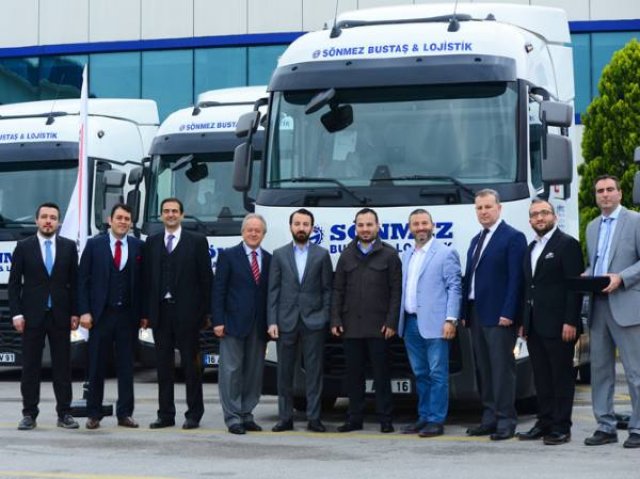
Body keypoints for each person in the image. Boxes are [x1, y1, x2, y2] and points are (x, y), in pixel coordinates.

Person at [141, 197, 212, 430]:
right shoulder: (152, 242)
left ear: (182, 215)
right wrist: (146, 313)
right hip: (161, 314)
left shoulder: (197, 242)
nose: (170, 215)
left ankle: (194, 414)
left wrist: (206, 314)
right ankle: (165, 414)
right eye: (166, 211)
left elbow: (206, 280)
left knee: (192, 367)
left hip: (188, 315)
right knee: (163, 367)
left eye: (174, 211)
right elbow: (147, 280)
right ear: (161, 215)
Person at [516, 199, 583, 445]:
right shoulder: (531, 248)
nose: (540, 218)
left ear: (554, 216)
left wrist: (570, 321)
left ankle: (561, 427)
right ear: (530, 220)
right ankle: (544, 422)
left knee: (561, 378)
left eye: (544, 213)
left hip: (560, 326)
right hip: (534, 326)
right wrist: (524, 321)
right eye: (535, 214)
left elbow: (574, 287)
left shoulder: (567, 244)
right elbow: (528, 288)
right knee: (542, 378)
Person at [462, 189, 527, 441]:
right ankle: (489, 418)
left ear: (499, 208)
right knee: (484, 370)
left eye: (488, 207)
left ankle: (505, 420)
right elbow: (470, 278)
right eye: (479, 208)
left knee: (502, 370)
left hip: (500, 315)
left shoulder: (513, 237)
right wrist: (464, 312)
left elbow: (516, 279)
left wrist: (509, 312)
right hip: (477, 312)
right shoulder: (476, 240)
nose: (483, 212)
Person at [8, 202, 80, 430]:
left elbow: (75, 283)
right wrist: (16, 313)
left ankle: (64, 413)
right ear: (37, 220)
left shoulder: (68, 247)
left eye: (53, 218)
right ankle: (29, 414)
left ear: (58, 222)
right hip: (32, 316)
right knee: (30, 367)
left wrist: (75, 312)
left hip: (60, 315)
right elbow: (13, 284)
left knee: (62, 367)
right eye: (45, 217)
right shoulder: (23, 247)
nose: (49, 221)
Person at [331, 207, 402, 433]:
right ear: (355, 227)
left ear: (377, 227)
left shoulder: (389, 255)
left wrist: (391, 322)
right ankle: (354, 419)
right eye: (360, 225)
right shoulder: (346, 255)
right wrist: (335, 319)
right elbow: (338, 290)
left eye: (369, 225)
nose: (365, 229)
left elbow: (396, 292)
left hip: (379, 327)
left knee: (382, 375)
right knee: (354, 376)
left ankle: (385, 419)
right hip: (351, 326)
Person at [583, 175, 640, 448]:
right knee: (600, 371)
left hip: (626, 304)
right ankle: (605, 426)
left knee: (635, 372)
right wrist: (586, 276)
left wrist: (622, 277)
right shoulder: (592, 227)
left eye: (609, 190)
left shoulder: (635, 221)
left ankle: (638, 427)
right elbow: (596, 263)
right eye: (600, 191)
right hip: (599, 305)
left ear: (620, 193)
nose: (604, 194)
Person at [78, 203, 143, 429]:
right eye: (119, 218)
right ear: (110, 220)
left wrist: (143, 314)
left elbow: (143, 283)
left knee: (126, 367)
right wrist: (84, 311)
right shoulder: (94, 245)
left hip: (127, 316)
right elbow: (82, 280)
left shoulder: (138, 246)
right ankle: (93, 413)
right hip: (100, 316)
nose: (123, 222)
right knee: (96, 365)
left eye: (127, 219)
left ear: (131, 223)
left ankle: (125, 413)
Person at [268, 208, 333, 433]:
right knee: (284, 373)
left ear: (312, 228)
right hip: (285, 322)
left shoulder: (321, 255)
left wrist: (325, 316)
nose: (301, 228)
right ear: (291, 227)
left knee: (314, 372)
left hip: (314, 322)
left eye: (306, 224)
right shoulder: (279, 254)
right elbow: (273, 290)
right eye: (297, 224)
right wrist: (272, 321)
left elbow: (327, 290)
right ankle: (285, 418)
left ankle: (314, 418)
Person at [398, 209, 461, 437]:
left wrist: (451, 319)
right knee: (420, 373)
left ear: (433, 226)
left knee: (437, 374)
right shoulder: (407, 255)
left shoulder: (446, 253)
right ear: (410, 228)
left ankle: (436, 420)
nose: (420, 227)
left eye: (424, 223)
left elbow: (454, 287)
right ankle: (423, 417)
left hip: (436, 324)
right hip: (410, 323)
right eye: (416, 224)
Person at [212, 213, 271, 435]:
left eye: (258, 230)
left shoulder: (269, 259)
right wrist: (218, 321)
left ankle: (247, 414)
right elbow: (219, 290)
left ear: (263, 234)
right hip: (232, 324)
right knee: (231, 372)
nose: (253, 233)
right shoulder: (228, 256)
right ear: (242, 232)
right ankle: (233, 417)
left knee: (254, 373)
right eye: (250, 230)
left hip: (259, 325)